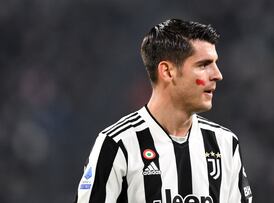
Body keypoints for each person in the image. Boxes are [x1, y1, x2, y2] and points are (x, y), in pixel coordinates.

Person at [74, 18, 253, 203]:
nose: (217, 74)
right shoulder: (117, 144)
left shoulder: (224, 144)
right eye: (203, 65)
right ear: (167, 71)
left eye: (215, 63)